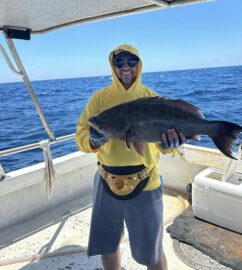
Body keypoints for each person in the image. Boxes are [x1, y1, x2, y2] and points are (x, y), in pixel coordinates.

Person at [75, 44, 185, 270]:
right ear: (112, 66)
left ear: (139, 65)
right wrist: (92, 141)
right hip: (106, 182)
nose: (125, 67)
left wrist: (170, 144)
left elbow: (165, 149)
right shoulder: (99, 99)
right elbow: (81, 135)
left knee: (152, 251)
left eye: (131, 62)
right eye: (119, 62)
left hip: (146, 183)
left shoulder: (151, 97)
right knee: (106, 243)